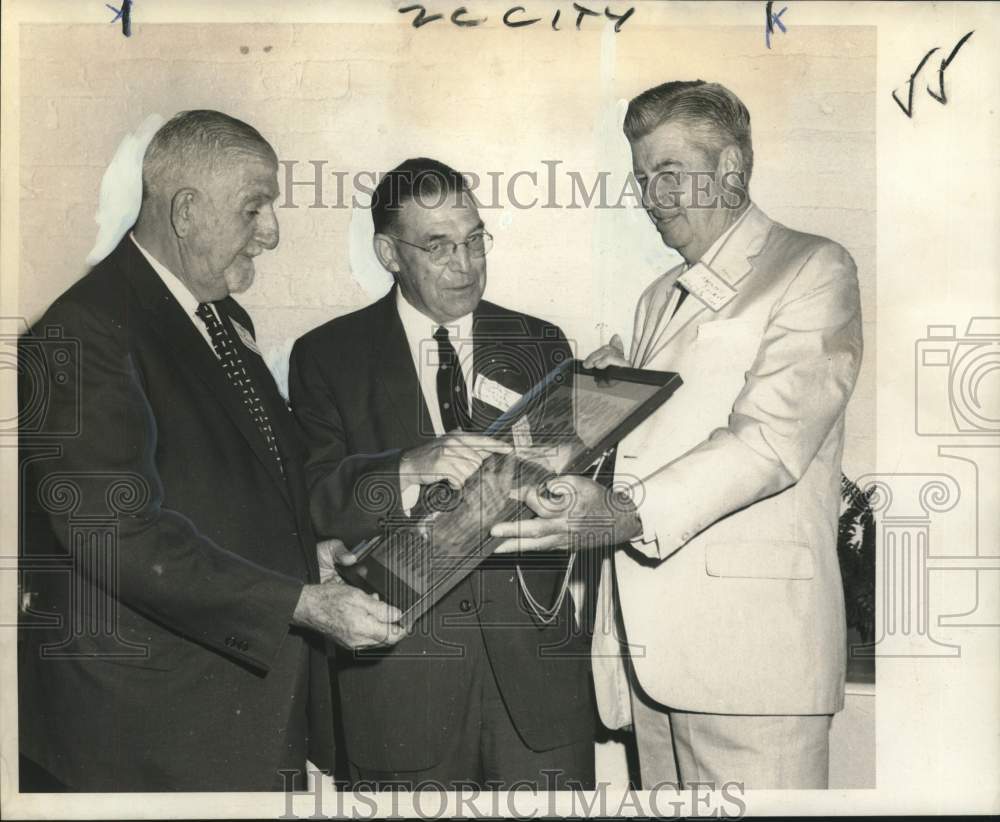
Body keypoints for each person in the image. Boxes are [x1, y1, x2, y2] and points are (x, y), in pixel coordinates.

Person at [17, 110, 403, 793]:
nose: (273, 232)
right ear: (187, 211)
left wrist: (301, 555)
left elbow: (230, 484)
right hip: (139, 738)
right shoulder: (81, 334)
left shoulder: (224, 319)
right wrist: (299, 602)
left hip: (228, 720)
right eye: (255, 208)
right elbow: (116, 534)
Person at [492, 80, 863, 789]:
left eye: (669, 172)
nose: (651, 197)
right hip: (649, 663)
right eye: (641, 178)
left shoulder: (814, 268)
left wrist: (624, 513)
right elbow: (652, 444)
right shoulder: (658, 297)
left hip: (756, 667)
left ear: (730, 168)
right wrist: (585, 408)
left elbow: (770, 443)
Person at [288, 158, 596, 790]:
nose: (465, 263)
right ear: (389, 253)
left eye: (475, 240)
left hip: (538, 684)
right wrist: (404, 467)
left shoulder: (541, 343)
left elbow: (573, 494)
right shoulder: (326, 355)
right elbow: (311, 501)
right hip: (400, 684)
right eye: (438, 246)